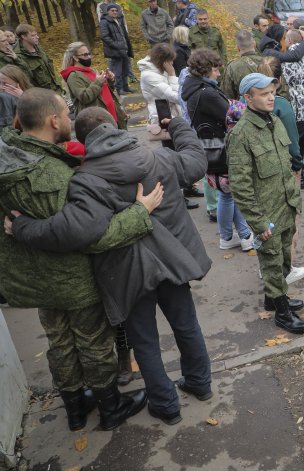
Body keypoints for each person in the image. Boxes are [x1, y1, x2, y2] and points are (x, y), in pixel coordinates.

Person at [10, 106, 213, 426]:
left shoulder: (85, 179)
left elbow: (71, 230)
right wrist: (176, 124)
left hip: (126, 274)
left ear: (83, 139)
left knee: (144, 341)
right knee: (186, 325)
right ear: (115, 126)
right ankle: (201, 385)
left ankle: (166, 405)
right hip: (174, 261)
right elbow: (197, 160)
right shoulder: (159, 159)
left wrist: (22, 229)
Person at [0, 88, 153, 432]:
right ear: (54, 120)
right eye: (66, 115)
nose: (70, 119)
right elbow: (88, 235)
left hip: (32, 279)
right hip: (71, 280)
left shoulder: (9, 158)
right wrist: (139, 214)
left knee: (60, 343)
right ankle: (111, 407)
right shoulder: (53, 175)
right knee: (94, 343)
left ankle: (75, 410)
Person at [226, 73, 304, 334]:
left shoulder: (274, 121)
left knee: (284, 259)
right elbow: (240, 186)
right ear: (248, 98)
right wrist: (258, 222)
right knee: (272, 263)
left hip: (285, 206)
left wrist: (294, 201)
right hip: (266, 215)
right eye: (263, 93)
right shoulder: (241, 135)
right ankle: (283, 314)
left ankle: (273, 299)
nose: (271, 97)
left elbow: (285, 165)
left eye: (272, 91)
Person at [182, 48, 253, 251]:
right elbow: (230, 114)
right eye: (215, 69)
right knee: (231, 192)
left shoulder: (195, 89)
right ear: (205, 70)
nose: (219, 73)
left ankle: (231, 236)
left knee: (227, 193)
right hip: (220, 151)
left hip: (210, 149)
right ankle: (241, 236)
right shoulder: (207, 93)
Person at [257, 56, 304, 285]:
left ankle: (265, 267)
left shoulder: (247, 102)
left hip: (259, 174)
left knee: (264, 221)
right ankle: (286, 271)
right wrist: (298, 167)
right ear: (278, 81)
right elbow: (293, 144)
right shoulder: (282, 105)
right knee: (288, 222)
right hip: (283, 172)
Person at [60, 42, 126, 129]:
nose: (89, 57)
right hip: (96, 121)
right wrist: (98, 82)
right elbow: (84, 97)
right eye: (85, 55)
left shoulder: (91, 71)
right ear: (75, 58)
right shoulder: (73, 76)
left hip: (112, 115)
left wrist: (110, 81)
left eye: (89, 54)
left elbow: (102, 92)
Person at [281, 30, 304, 161]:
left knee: (297, 144)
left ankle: (300, 175)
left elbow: (286, 83)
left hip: (299, 110)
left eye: (285, 38)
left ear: (290, 41)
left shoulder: (288, 60)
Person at [13, 24, 62, 93]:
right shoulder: (18, 56)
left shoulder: (38, 48)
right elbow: (26, 79)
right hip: (40, 95)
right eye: (33, 35)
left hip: (55, 90)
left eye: (36, 34)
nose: (37, 37)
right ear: (23, 36)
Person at [99, 4, 132, 95]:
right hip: (114, 51)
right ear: (108, 11)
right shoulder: (104, 22)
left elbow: (123, 35)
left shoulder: (118, 20)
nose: (115, 12)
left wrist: (126, 46)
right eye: (112, 10)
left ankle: (126, 87)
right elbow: (105, 37)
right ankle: (119, 89)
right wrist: (117, 45)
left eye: (116, 10)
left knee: (125, 68)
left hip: (124, 49)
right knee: (117, 71)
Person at [221, 30, 262, 101]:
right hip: (269, 107)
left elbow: (227, 96)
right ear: (254, 44)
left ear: (237, 48)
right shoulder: (268, 62)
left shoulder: (232, 67)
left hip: (244, 108)